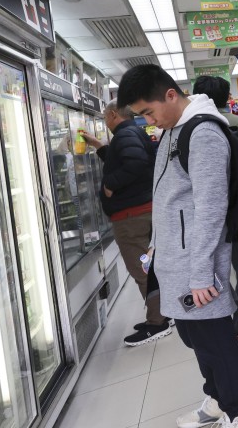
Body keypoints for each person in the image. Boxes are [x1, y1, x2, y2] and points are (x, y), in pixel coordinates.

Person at [118, 65, 238, 428]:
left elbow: (210, 208)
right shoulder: (171, 129)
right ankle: (216, 399)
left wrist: (200, 273)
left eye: (148, 112)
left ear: (170, 95)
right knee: (195, 338)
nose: (148, 121)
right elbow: (169, 196)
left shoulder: (204, 132)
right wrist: (154, 249)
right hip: (175, 260)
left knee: (216, 340)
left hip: (197, 265)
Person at [80, 102, 167, 346]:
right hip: (142, 211)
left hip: (131, 217)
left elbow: (135, 163)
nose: (105, 120)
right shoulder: (131, 132)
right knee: (149, 266)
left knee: (142, 269)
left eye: (105, 116)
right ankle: (162, 313)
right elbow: (126, 159)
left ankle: (157, 322)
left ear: (113, 114)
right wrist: (99, 146)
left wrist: (110, 185)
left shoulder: (125, 134)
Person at [193, 74, 238, 350]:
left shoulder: (192, 129)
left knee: (215, 268)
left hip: (208, 210)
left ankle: (225, 318)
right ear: (227, 99)